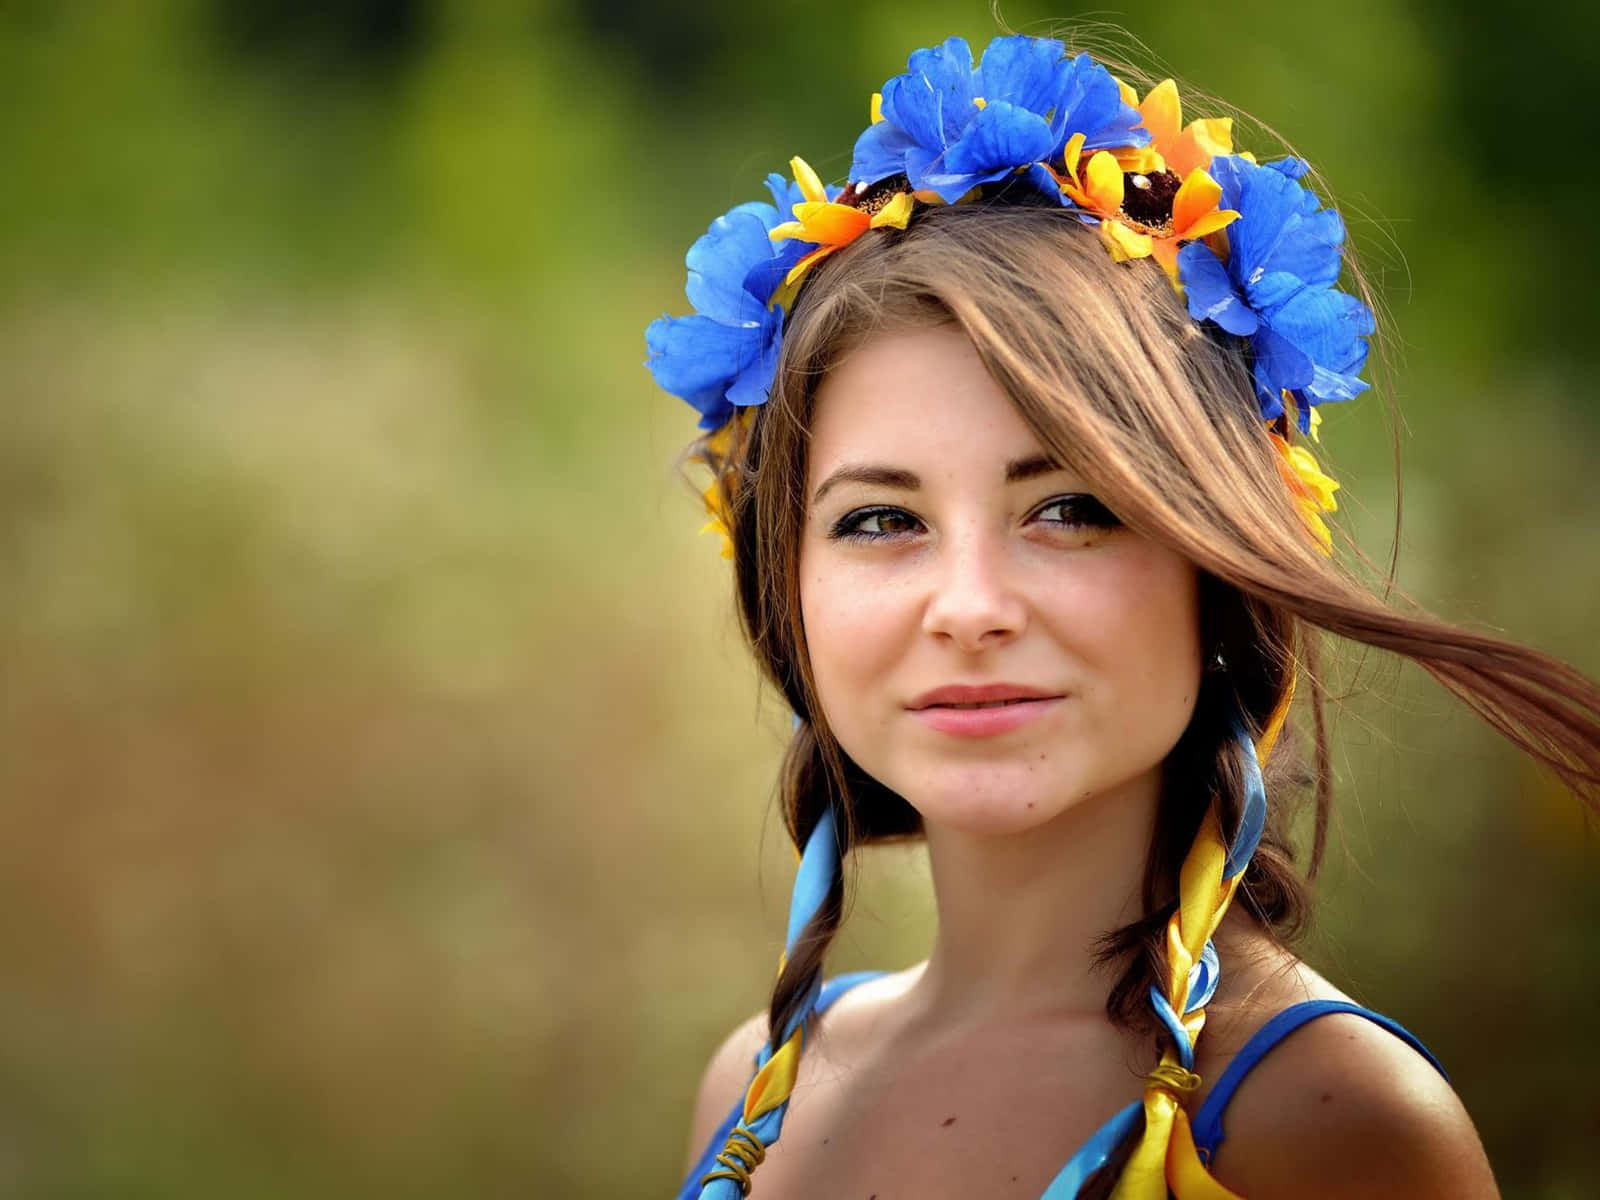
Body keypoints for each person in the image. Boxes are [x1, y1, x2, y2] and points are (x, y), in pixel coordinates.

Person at [643, 31, 1600, 1199]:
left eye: (1069, 509)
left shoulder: (1331, 1124)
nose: (970, 607)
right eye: (881, 522)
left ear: (1223, 558)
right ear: (785, 592)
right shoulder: (750, 1095)